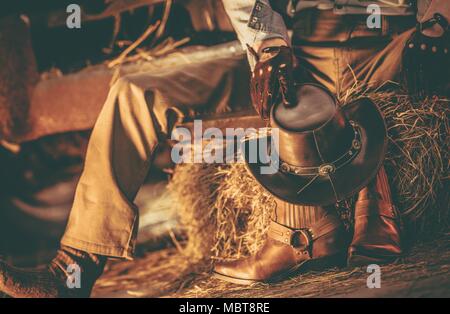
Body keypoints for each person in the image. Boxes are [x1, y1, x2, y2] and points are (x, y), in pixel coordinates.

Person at [0, 0, 448, 297]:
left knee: (389, 83)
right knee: (134, 92)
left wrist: (438, 22)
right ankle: (75, 266)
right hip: (292, 46)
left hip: (386, 41)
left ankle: (343, 220)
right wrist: (268, 44)